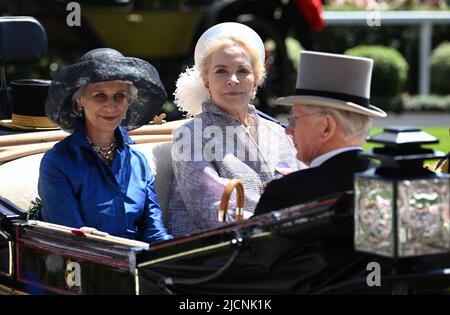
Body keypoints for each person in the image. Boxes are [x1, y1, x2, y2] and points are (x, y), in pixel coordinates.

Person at [167, 22, 301, 236]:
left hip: (284, 241)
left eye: (243, 71)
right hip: (216, 253)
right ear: (206, 80)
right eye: (221, 71)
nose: (233, 80)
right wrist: (277, 226)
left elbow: (303, 188)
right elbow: (211, 210)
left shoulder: (277, 132)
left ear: (256, 79)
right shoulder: (190, 136)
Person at [38, 48, 173, 244]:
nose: (111, 106)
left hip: (137, 267)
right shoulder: (58, 162)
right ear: (79, 101)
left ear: (129, 101)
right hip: (83, 267)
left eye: (120, 96)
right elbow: (70, 238)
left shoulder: (139, 163)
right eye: (99, 95)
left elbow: (153, 233)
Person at [254, 50, 387, 215]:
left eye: (295, 118)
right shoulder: (390, 185)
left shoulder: (287, 193)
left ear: (327, 127)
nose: (288, 130)